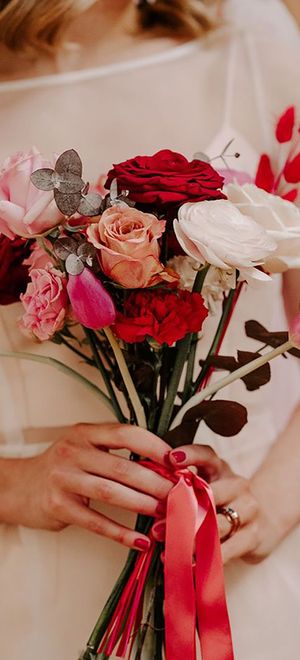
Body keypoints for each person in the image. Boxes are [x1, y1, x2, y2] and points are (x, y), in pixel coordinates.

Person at [0, 1, 300, 658]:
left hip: (243, 561)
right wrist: (12, 483)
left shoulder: (249, 36)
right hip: (26, 584)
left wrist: (280, 493)